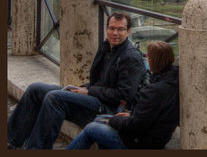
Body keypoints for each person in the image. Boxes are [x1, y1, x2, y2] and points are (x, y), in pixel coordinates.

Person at [7, 13, 146, 150]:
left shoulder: (131, 57)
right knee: (35, 89)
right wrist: (81, 88)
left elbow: (124, 95)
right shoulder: (106, 47)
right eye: (111, 28)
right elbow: (98, 81)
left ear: (128, 32)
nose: (115, 33)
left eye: (120, 29)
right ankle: (11, 142)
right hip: (94, 97)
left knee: (55, 98)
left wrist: (89, 91)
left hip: (108, 108)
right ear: (106, 29)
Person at [66, 41, 180, 150]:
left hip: (142, 141)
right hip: (155, 134)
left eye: (148, 56)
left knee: (92, 128)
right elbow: (149, 115)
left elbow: (136, 126)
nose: (147, 59)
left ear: (153, 61)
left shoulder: (155, 90)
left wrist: (114, 121)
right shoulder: (171, 81)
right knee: (99, 119)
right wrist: (131, 114)